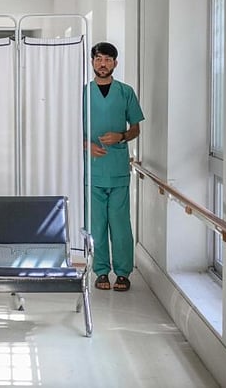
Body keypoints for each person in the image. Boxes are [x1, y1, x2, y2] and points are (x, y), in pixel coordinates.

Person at [83, 42, 144, 292]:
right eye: (98, 59)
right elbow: (72, 129)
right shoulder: (83, 93)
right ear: (92, 62)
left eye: (108, 59)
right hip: (93, 169)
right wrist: (87, 144)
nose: (103, 63)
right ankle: (100, 271)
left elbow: (136, 128)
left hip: (118, 168)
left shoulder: (126, 92)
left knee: (120, 224)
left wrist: (120, 136)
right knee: (97, 225)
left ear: (115, 63)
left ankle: (122, 272)